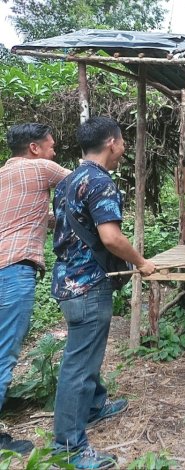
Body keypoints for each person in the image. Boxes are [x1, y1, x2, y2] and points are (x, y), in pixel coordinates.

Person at [51, 117, 156, 469]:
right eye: (123, 141)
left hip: (67, 280)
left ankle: (95, 406)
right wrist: (141, 262)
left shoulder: (68, 181)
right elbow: (110, 237)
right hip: (88, 284)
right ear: (111, 142)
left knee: (85, 353)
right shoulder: (100, 182)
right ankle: (69, 447)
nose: (124, 147)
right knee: (80, 364)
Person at [0, 123, 71, 454]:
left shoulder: (5, 176)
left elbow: (32, 216)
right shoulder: (40, 167)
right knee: (4, 353)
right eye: (51, 146)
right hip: (14, 271)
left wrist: (58, 221)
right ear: (34, 148)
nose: (54, 151)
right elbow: (87, 181)